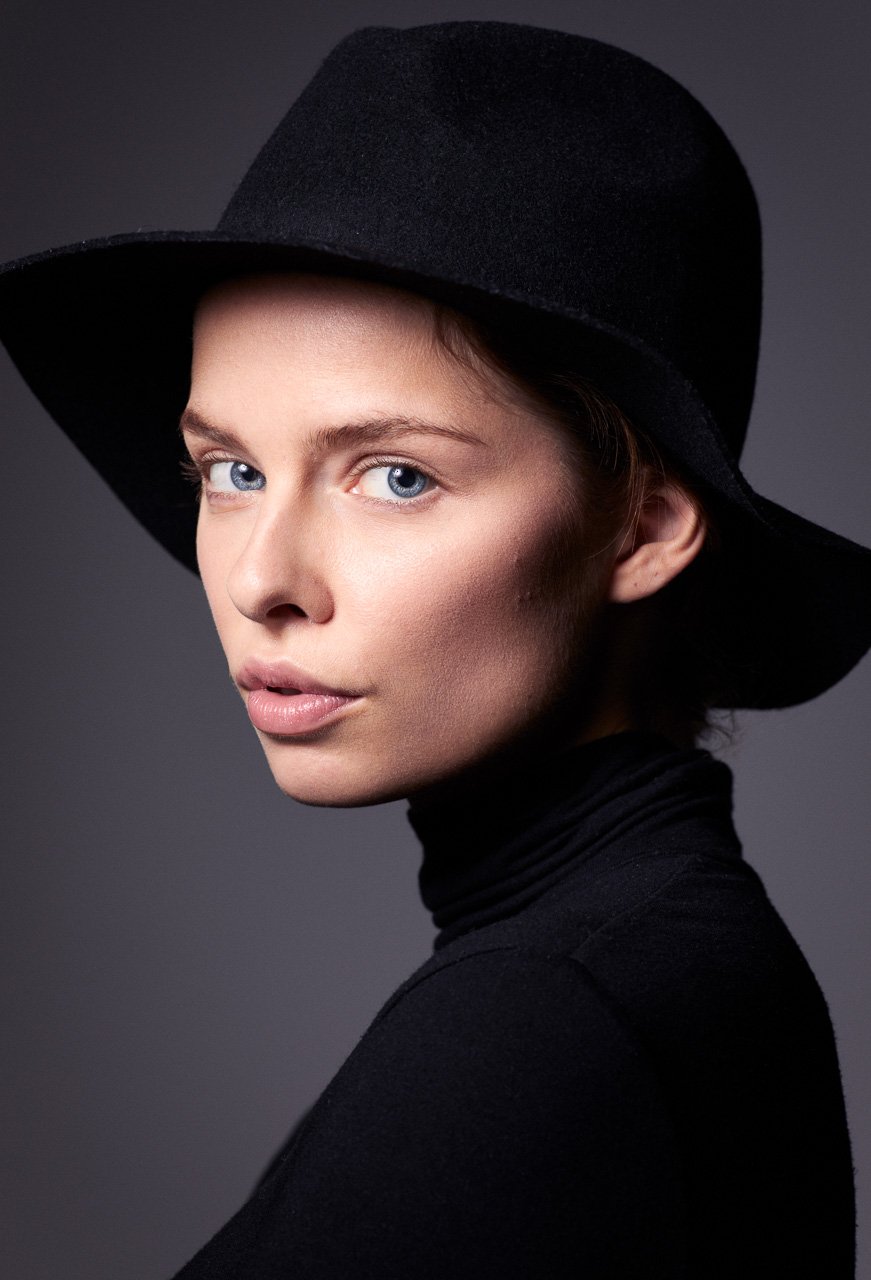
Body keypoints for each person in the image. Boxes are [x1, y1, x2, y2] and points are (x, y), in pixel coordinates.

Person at [1, 20, 868, 1278]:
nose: (262, 579)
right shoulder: (661, 961)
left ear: (643, 526)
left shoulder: (548, 1016)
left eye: (394, 475)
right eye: (230, 470)